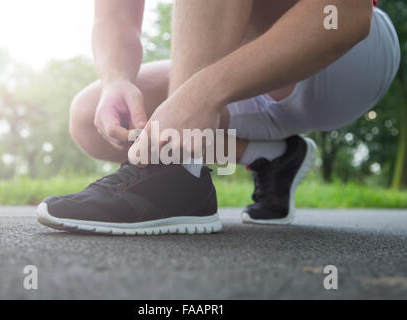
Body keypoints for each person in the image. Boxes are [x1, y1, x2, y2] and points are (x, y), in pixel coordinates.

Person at [37, 0, 400, 235]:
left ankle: (177, 168)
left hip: (341, 58)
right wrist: (115, 78)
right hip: (246, 76)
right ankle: (270, 156)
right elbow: (115, 14)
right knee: (90, 118)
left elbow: (348, 15)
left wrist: (199, 94)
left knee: (183, 106)